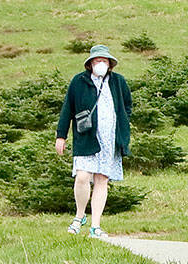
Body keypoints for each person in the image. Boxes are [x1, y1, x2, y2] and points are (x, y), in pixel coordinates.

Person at [55, 44, 132, 239]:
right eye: (97, 61)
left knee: (101, 180)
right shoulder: (78, 82)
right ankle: (79, 216)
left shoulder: (118, 82)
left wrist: (122, 125)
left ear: (109, 64)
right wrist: (61, 135)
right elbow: (67, 109)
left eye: (104, 61)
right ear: (90, 64)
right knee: (82, 176)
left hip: (110, 140)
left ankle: (95, 226)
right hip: (86, 137)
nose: (101, 64)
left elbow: (127, 106)